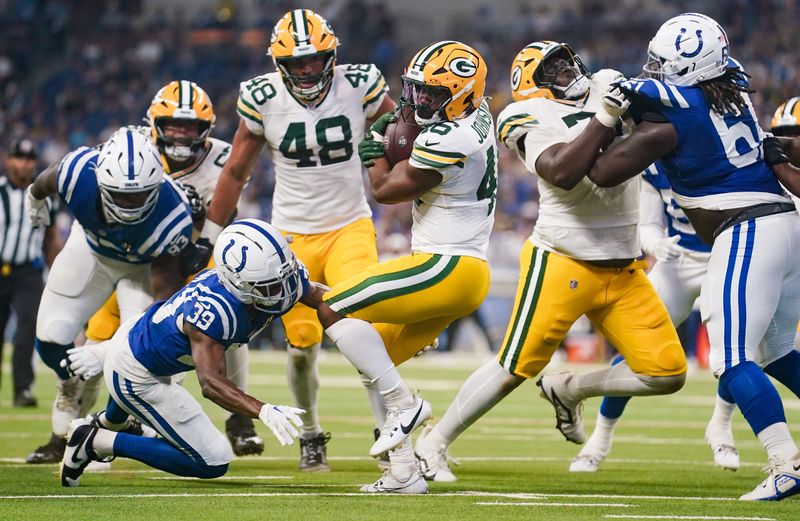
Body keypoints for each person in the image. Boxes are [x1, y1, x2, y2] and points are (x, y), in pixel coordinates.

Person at [413, 40, 687, 483]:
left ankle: (569, 388)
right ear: (532, 84)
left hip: (623, 264)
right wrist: (605, 117)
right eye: (552, 68)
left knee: (666, 372)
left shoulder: (607, 84)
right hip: (563, 260)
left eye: (566, 60)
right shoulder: (527, 116)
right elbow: (561, 171)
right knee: (514, 366)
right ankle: (433, 442)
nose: (566, 68)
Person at [583, 13, 800, 501]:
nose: (655, 69)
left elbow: (605, 163)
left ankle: (785, 460)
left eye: (665, 62)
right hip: (782, 224)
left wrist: (602, 99)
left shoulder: (674, 109)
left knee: (730, 358)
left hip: (747, 229)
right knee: (779, 353)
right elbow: (668, 92)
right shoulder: (732, 85)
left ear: (687, 67)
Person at [184, 9, 396, 471]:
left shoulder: (360, 84)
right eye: (296, 63)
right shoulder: (262, 97)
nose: (306, 70)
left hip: (349, 226)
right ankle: (312, 433)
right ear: (280, 64)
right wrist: (210, 236)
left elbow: (400, 135)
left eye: (315, 59)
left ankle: (389, 435)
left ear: (331, 55)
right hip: (290, 237)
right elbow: (236, 172)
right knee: (302, 347)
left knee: (364, 331)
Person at [316, 39, 496, 494]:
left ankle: (406, 405)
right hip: (457, 268)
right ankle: (403, 473)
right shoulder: (474, 117)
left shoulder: (448, 137)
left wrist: (372, 146)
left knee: (333, 306)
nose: (418, 103)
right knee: (374, 359)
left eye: (432, 95)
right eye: (415, 90)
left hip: (447, 265)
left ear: (462, 94)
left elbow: (385, 190)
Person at [75, 81, 264, 460]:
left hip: (191, 263)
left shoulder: (222, 160)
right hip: (134, 261)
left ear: (205, 129)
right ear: (154, 125)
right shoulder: (131, 150)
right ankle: (72, 429)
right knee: (97, 341)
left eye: (190, 127)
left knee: (230, 326)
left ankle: (238, 420)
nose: (181, 134)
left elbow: (230, 214)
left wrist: (202, 234)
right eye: (173, 125)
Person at [58, 219, 323, 486]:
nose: (284, 290)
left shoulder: (277, 275)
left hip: (145, 340)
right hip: (137, 372)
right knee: (213, 460)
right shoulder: (213, 311)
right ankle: (95, 441)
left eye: (283, 276)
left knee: (143, 417)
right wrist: (262, 410)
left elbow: (315, 295)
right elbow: (211, 383)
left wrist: (355, 309)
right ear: (238, 284)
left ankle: (109, 423)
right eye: (269, 286)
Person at [25, 128, 194, 463]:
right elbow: (45, 181)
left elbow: (160, 314)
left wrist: (102, 354)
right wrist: (34, 198)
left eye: (138, 195)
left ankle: (114, 423)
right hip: (91, 251)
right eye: (119, 195)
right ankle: (69, 382)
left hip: (142, 269)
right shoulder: (77, 173)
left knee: (136, 358)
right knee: (50, 335)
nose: (128, 204)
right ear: (100, 179)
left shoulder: (173, 217)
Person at [571, 162, 741, 472]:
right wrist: (654, 243)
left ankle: (721, 426)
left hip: (729, 255)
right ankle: (601, 436)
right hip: (677, 259)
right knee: (638, 347)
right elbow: (647, 222)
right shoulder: (653, 162)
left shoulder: (721, 149)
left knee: (734, 351)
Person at [0, 139, 61, 407]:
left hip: (29, 272)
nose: (24, 163)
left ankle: (22, 390)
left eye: (29, 159)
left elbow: (51, 239)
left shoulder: (46, 197)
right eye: (19, 158)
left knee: (27, 329)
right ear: (8, 160)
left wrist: (57, 275)